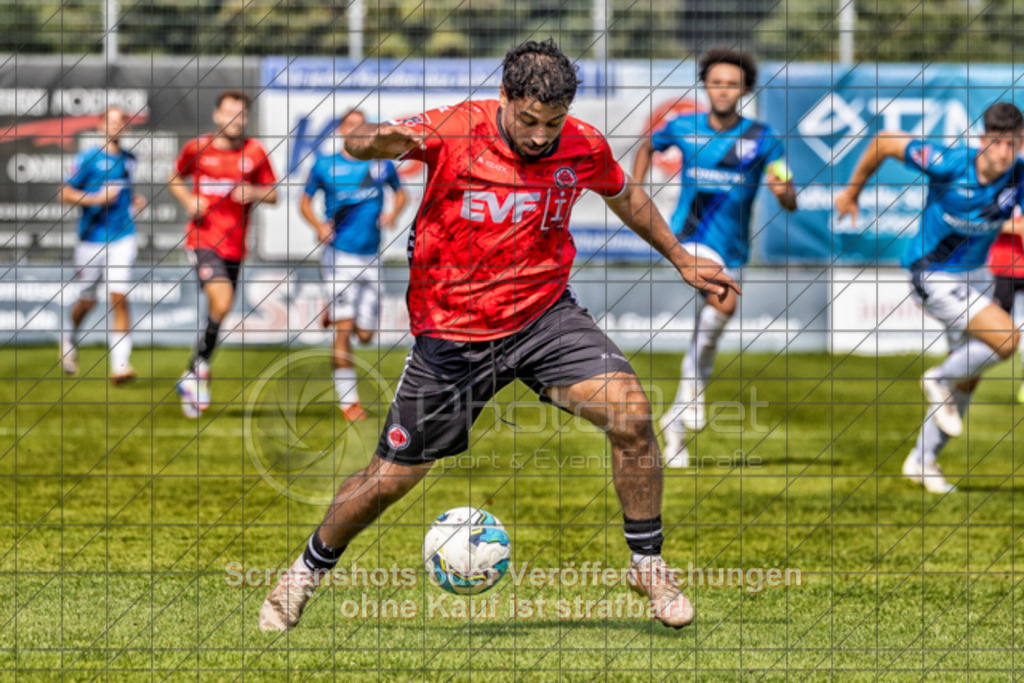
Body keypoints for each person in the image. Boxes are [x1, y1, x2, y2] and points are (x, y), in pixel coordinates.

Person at [258, 39, 738, 632]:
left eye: (552, 124)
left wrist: (680, 257)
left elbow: (625, 195)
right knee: (391, 480)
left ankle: (647, 562)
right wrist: (373, 142)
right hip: (453, 334)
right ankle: (304, 571)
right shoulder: (456, 128)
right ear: (505, 98)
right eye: (529, 121)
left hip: (544, 316)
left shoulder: (583, 144)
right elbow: (359, 143)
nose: (540, 137)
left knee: (632, 415)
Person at [835, 102, 1024, 494]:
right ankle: (936, 376)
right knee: (1006, 339)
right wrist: (853, 192)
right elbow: (885, 141)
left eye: (1014, 143)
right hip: (932, 273)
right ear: (982, 140)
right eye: (998, 142)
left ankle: (922, 462)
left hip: (977, 277)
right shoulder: (949, 162)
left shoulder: (1019, 175)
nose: (1005, 152)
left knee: (969, 379)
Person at [632, 48, 797, 468]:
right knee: (725, 297)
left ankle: (678, 421)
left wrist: (784, 191)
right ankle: (691, 399)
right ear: (705, 85)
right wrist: (635, 186)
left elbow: (787, 193)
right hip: (690, 238)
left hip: (733, 248)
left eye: (732, 83)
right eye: (716, 82)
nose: (723, 90)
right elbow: (649, 144)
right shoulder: (684, 127)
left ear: (745, 89)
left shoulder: (763, 138)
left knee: (708, 334)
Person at [168, 90, 278, 418]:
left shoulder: (255, 151)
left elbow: (273, 194)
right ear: (217, 116)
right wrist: (189, 202)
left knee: (221, 310)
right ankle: (197, 373)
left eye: (241, 113)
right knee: (222, 301)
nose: (235, 119)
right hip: (202, 239)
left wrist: (256, 192)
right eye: (229, 112)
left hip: (235, 246)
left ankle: (194, 371)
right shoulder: (197, 148)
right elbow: (174, 176)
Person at [300, 108, 408, 420]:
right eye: (351, 126)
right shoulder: (325, 165)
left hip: (371, 257)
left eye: (363, 127)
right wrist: (318, 226)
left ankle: (331, 310)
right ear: (341, 132)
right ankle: (350, 402)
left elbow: (400, 196)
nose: (357, 131)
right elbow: (304, 202)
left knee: (365, 335)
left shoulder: (381, 165)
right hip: (338, 257)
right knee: (345, 332)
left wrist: (393, 213)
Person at [60, 106, 146, 384]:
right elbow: (65, 193)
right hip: (91, 239)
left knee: (119, 296)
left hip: (123, 236)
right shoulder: (87, 158)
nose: (116, 126)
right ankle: (68, 336)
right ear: (100, 126)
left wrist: (135, 201)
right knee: (88, 299)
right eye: (110, 122)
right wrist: (97, 199)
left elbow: (125, 189)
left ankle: (120, 365)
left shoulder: (130, 159)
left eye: (121, 122)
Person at [987, 205, 1024, 403]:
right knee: (995, 334)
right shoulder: (1001, 191)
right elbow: (982, 223)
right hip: (1003, 269)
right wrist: (1015, 227)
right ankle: (961, 377)